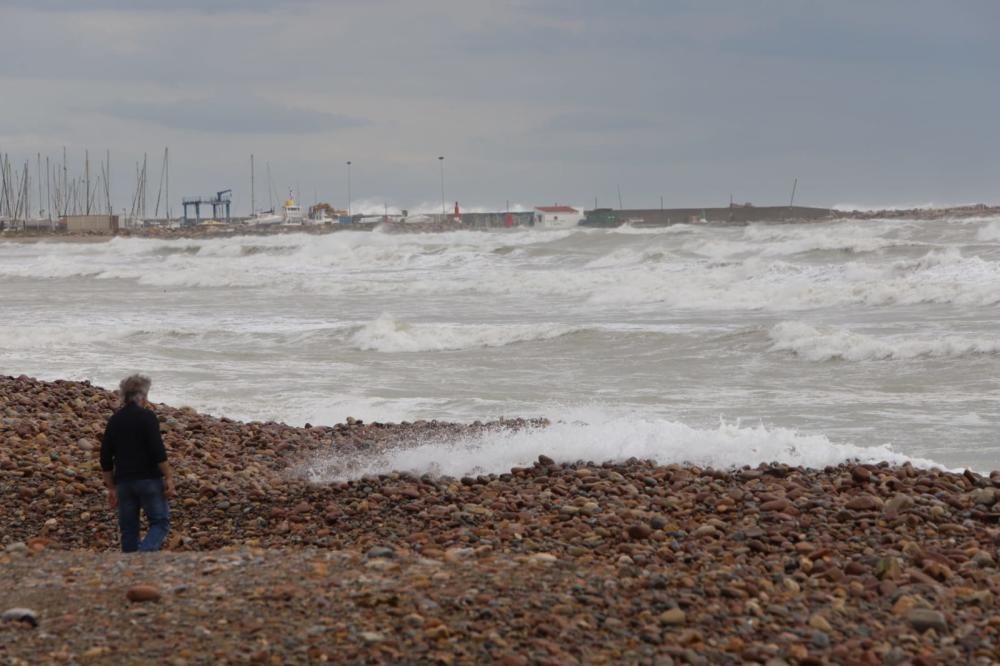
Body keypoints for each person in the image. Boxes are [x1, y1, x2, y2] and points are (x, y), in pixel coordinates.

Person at [100, 374, 175, 552]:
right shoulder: (147, 417)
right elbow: (158, 450)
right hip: (148, 479)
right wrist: (169, 477)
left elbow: (105, 457)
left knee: (129, 529)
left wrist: (111, 487)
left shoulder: (115, 420)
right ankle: (143, 555)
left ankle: (129, 569)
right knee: (160, 522)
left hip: (124, 482)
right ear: (143, 396)